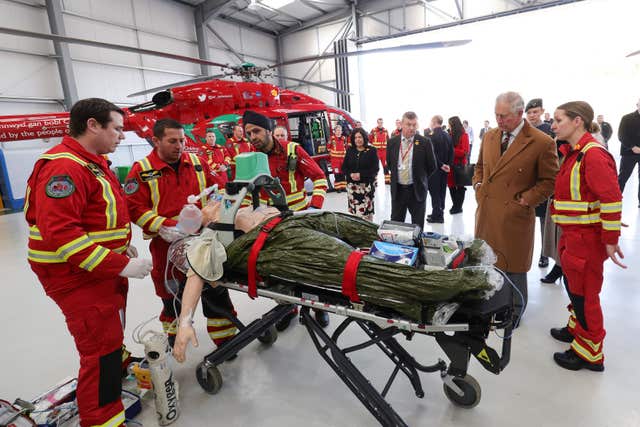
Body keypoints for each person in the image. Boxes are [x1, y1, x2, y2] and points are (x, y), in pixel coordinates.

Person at [25, 98, 153, 427]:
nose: (122, 137)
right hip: (74, 276)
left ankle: (115, 374)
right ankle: (102, 421)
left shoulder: (93, 162)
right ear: (93, 125)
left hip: (96, 270)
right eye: (118, 129)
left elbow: (97, 218)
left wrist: (120, 249)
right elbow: (62, 235)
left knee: (110, 339)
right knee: (99, 350)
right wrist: (119, 265)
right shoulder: (65, 167)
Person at [125, 119, 238, 350]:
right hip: (165, 247)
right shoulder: (142, 170)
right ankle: (175, 337)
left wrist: (212, 210)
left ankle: (226, 340)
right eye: (172, 141)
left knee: (215, 291)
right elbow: (133, 208)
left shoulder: (197, 162)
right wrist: (162, 225)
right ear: (156, 141)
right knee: (172, 296)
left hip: (203, 241)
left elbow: (218, 188)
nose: (180, 146)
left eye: (182, 140)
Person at [548, 101, 625, 371]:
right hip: (572, 235)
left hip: (586, 240)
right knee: (575, 289)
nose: (554, 125)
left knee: (585, 297)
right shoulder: (575, 152)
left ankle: (589, 354)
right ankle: (576, 329)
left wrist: (610, 239)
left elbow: (612, 198)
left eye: (559, 120)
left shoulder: (592, 155)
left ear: (577, 121)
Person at [472, 91, 558, 324]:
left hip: (515, 214)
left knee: (514, 266)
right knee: (487, 260)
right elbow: (480, 166)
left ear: (520, 114)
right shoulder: (490, 136)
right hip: (487, 210)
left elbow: (550, 181)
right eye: (496, 115)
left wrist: (527, 200)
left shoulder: (541, 142)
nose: (499, 120)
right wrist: (478, 184)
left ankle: (514, 311)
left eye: (505, 116)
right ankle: (490, 304)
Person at [242, 110, 329, 329]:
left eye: (256, 131)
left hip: (300, 220)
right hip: (270, 224)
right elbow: (243, 190)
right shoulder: (249, 157)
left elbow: (319, 178)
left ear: (269, 130)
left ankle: (319, 308)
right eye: (248, 133)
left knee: (310, 265)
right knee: (278, 270)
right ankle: (288, 307)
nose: (253, 137)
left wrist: (314, 208)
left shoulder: (293, 150)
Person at [387, 111, 437, 229]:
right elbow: (390, 164)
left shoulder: (425, 142)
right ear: (402, 124)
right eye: (408, 124)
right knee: (396, 226)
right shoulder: (392, 142)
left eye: (414, 125)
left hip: (417, 190)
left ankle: (417, 247)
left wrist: (420, 178)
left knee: (417, 227)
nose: (412, 127)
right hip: (398, 191)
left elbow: (432, 166)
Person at [525, 98, 555, 268]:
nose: (532, 115)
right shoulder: (524, 131)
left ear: (542, 111)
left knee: (544, 221)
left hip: (542, 182)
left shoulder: (550, 130)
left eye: (535, 112)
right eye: (529, 113)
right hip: (526, 182)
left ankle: (544, 254)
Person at [342, 127, 379, 221]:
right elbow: (344, 167)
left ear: (364, 138)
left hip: (366, 188)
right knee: (354, 215)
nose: (358, 139)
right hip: (352, 189)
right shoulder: (350, 150)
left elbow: (375, 169)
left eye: (360, 137)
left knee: (366, 215)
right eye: (356, 137)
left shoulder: (372, 150)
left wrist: (360, 175)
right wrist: (350, 174)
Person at [426, 115, 453, 223]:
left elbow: (432, 154)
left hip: (435, 169)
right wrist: (448, 165)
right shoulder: (447, 135)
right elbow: (452, 152)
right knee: (442, 191)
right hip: (445, 169)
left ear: (434, 122)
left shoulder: (431, 136)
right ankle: (438, 212)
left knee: (435, 192)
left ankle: (437, 216)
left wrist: (441, 165)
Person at [617, 99, 640, 208]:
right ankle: (614, 199)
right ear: (637, 105)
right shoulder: (627, 118)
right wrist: (632, 147)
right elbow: (621, 135)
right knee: (623, 177)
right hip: (628, 153)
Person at [447, 116, 470, 215]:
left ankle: (458, 206)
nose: (448, 126)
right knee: (451, 186)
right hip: (450, 165)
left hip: (460, 165)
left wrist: (451, 150)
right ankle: (455, 205)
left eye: (450, 124)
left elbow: (465, 151)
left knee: (460, 186)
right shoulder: (449, 134)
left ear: (453, 124)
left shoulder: (464, 135)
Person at [369, 118, 390, 184]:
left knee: (385, 166)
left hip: (384, 151)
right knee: (375, 166)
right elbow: (369, 139)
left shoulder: (385, 130)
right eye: (379, 122)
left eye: (381, 122)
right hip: (376, 151)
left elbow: (388, 140)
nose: (380, 124)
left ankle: (387, 180)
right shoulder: (373, 130)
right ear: (377, 123)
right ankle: (374, 180)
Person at [328, 124, 347, 192]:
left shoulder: (344, 138)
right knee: (337, 173)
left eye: (340, 130)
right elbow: (328, 148)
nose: (339, 132)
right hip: (335, 160)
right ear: (335, 131)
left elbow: (346, 147)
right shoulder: (332, 139)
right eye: (337, 130)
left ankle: (343, 187)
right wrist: (332, 154)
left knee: (343, 173)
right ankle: (338, 188)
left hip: (342, 159)